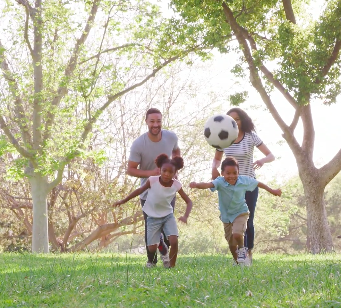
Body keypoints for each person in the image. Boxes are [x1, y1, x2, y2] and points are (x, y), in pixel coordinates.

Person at [211, 108, 276, 265]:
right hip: (230, 186)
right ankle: (238, 253)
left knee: (248, 219)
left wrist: (262, 161)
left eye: (237, 119)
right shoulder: (223, 138)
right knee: (232, 221)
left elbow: (271, 155)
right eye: (231, 119)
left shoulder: (251, 137)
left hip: (248, 184)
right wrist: (214, 168)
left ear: (242, 120)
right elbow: (217, 159)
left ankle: (247, 253)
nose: (235, 122)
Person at [191, 157, 281, 265]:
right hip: (226, 216)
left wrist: (272, 191)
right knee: (231, 243)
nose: (232, 176)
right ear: (222, 173)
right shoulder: (219, 182)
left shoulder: (243, 180)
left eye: (235, 173)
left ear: (238, 172)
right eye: (228, 173)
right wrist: (196, 185)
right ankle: (238, 262)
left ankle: (242, 250)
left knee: (237, 235)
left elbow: (258, 183)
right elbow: (208, 185)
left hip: (240, 212)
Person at [115, 154, 192, 268]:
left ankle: (171, 266)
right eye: (164, 170)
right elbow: (139, 190)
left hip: (167, 215)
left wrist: (185, 216)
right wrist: (123, 200)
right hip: (152, 216)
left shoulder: (176, 185)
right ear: (160, 169)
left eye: (170, 172)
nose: (167, 174)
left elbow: (189, 201)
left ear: (175, 173)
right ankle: (159, 241)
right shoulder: (152, 180)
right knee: (152, 247)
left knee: (174, 241)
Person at [127, 108, 180, 267]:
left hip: (167, 191)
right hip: (148, 193)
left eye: (158, 121)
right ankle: (152, 260)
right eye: (152, 121)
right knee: (151, 228)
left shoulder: (171, 137)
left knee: (167, 228)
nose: (155, 124)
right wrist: (151, 173)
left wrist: (175, 169)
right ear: (146, 122)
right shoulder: (139, 144)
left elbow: (176, 151)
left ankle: (166, 255)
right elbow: (130, 169)